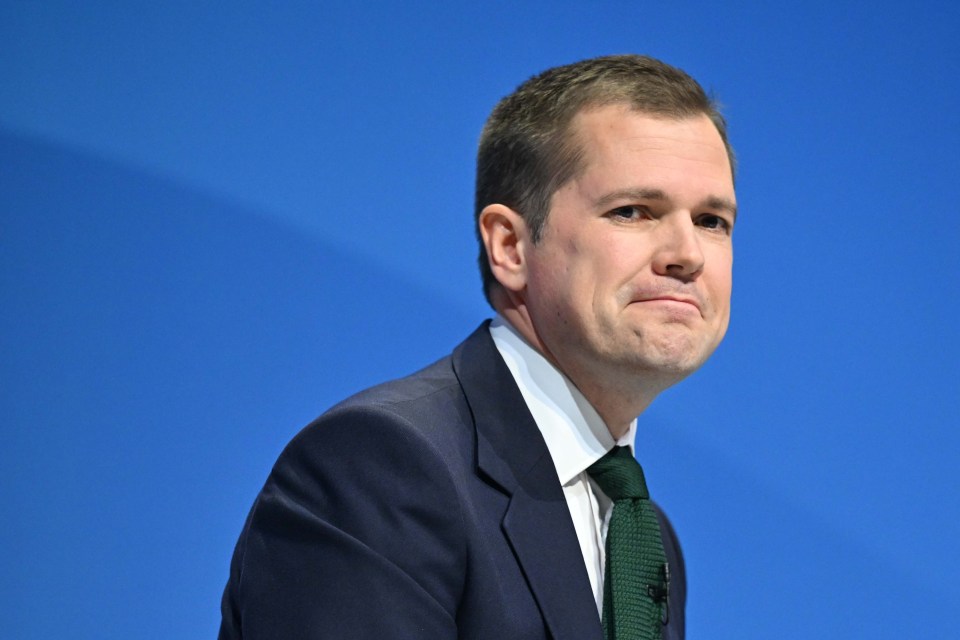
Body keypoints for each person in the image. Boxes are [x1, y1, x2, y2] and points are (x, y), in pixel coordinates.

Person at [219, 54, 736, 640]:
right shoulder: (381, 468)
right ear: (511, 247)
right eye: (633, 211)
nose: (687, 254)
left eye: (713, 220)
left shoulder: (644, 534)